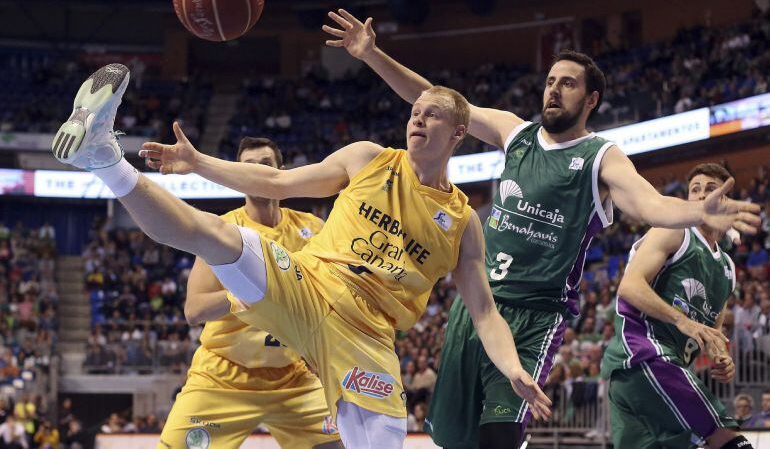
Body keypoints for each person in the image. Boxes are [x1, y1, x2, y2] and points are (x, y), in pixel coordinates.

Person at [322, 8, 762, 448]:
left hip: (536, 315)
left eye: (567, 83)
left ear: (591, 100)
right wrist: (372, 54)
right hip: (477, 307)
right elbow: (437, 101)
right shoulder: (516, 133)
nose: (553, 90)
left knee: (500, 435)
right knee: (454, 439)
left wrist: (696, 213)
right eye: (550, 81)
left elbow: (648, 203)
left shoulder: (600, 156)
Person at [53, 64, 551, 448]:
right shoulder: (367, 158)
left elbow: (484, 312)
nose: (417, 119)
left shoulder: (464, 224)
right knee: (213, 235)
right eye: (414, 112)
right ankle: (105, 159)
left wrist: (511, 368)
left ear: (458, 134)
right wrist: (198, 162)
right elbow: (276, 182)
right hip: (308, 288)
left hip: (366, 336)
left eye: (431, 115)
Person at [159, 136, 342, 449]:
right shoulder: (223, 231)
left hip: (292, 376)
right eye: (248, 167)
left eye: (266, 165)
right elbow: (194, 310)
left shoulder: (314, 228)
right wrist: (250, 292)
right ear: (236, 176)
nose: (257, 172)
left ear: (281, 171)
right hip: (223, 377)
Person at [601, 164, 754, 449]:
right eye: (694, 189)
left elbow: (712, 332)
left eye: (710, 189)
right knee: (728, 439)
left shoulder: (728, 270)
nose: (700, 195)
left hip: (645, 376)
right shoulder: (674, 231)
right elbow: (630, 286)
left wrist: (721, 356)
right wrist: (681, 320)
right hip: (645, 355)